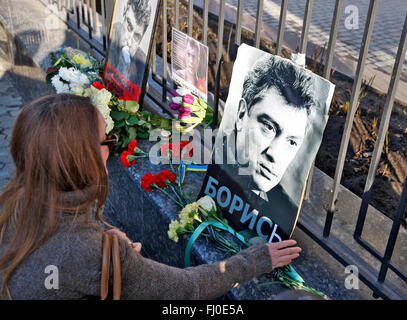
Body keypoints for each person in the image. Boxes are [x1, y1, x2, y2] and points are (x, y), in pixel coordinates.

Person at [0, 94, 301, 300]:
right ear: (83, 158)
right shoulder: (89, 252)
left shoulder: (12, 202)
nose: (113, 147)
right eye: (108, 139)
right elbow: (185, 290)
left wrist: (103, 239)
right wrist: (256, 259)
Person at [229, 55, 315, 202]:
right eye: (269, 127)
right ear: (241, 115)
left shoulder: (283, 212)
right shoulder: (217, 170)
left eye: (292, 142)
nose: (274, 154)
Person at [107, 0, 151, 86]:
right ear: (124, 11)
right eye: (129, 26)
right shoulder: (114, 32)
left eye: (137, 37)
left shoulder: (141, 61)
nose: (129, 41)